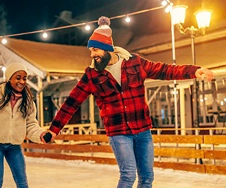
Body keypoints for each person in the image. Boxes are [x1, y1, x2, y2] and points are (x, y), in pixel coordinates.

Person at [46, 16, 214, 188]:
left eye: (95, 50)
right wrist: (53, 130)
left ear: (107, 48)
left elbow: (165, 70)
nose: (92, 54)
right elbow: (71, 103)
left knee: (147, 177)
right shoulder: (92, 75)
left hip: (142, 130)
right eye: (91, 51)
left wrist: (194, 71)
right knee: (128, 175)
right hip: (119, 132)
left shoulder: (134, 63)